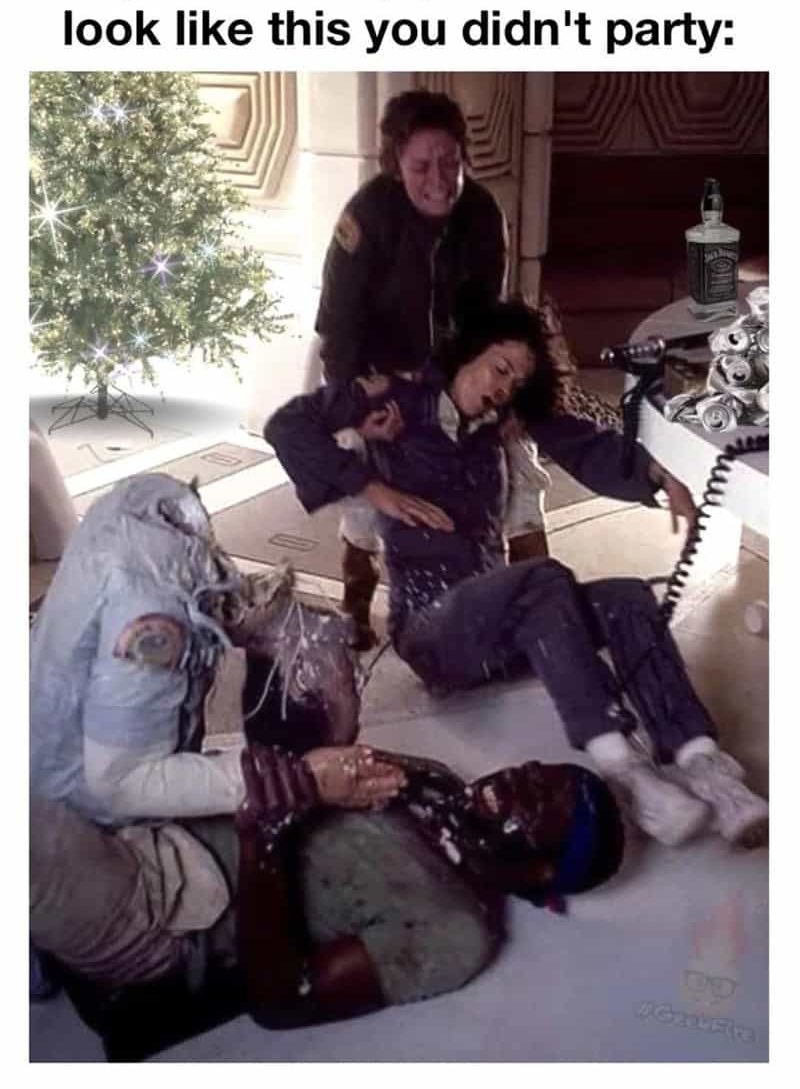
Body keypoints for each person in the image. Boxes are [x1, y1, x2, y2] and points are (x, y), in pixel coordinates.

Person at [29, 473, 623, 1043]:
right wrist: (297, 663)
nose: (520, 776)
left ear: (542, 871)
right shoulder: (436, 782)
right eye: (536, 770)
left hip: (161, 908)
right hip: (151, 817)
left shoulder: (456, 928)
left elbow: (283, 1001)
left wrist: (265, 845)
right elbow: (296, 764)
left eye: (541, 800)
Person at [265, 299, 769, 852]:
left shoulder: (503, 422)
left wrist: (656, 474)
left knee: (626, 598)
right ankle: (629, 773)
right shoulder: (395, 399)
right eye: (499, 369)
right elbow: (287, 426)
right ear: (467, 354)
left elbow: (584, 443)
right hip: (432, 631)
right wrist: (370, 485)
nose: (504, 388)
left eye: (516, 382)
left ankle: (703, 763)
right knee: (542, 577)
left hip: (501, 621)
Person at [315, 89, 596, 648]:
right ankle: (355, 602)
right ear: (395, 165)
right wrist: (358, 408)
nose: (439, 179)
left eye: (450, 162)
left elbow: (490, 324)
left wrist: (508, 400)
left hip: (460, 379)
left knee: (520, 477)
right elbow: (338, 330)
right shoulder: (366, 217)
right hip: (377, 378)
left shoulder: (484, 215)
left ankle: (540, 610)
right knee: (367, 484)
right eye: (421, 166)